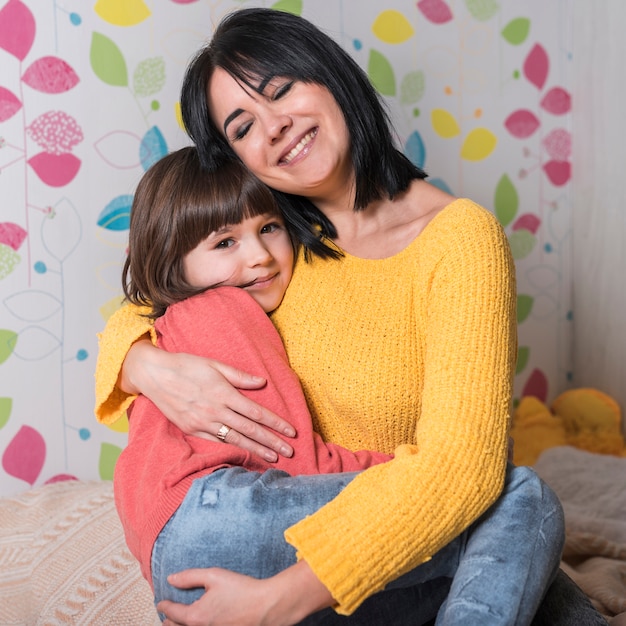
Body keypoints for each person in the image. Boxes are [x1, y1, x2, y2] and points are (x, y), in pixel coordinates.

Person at [96, 8, 606, 626]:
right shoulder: (274, 245)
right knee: (524, 507)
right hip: (293, 532)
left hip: (376, 545)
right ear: (233, 157)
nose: (276, 126)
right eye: (242, 126)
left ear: (331, 76)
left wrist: (281, 599)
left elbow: (462, 470)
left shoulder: (457, 240)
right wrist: (142, 363)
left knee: (543, 572)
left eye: (282, 90)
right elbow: (155, 291)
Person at [114, 145, 392, 608]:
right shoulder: (224, 310)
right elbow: (295, 459)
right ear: (171, 261)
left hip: (169, 558)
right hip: (215, 515)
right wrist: (412, 471)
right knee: (506, 499)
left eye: (269, 228)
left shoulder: (169, 328)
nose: (260, 256)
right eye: (225, 243)